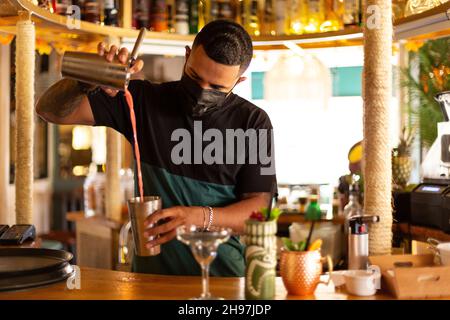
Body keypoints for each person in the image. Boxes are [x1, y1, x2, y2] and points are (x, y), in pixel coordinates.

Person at [36, 20, 277, 277]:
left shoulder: (253, 123)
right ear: (187, 56)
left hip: (223, 282)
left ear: (238, 81)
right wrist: (90, 78)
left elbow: (259, 210)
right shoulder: (142, 101)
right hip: (152, 280)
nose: (201, 92)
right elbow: (49, 110)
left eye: (217, 88)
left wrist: (197, 216)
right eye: (195, 77)